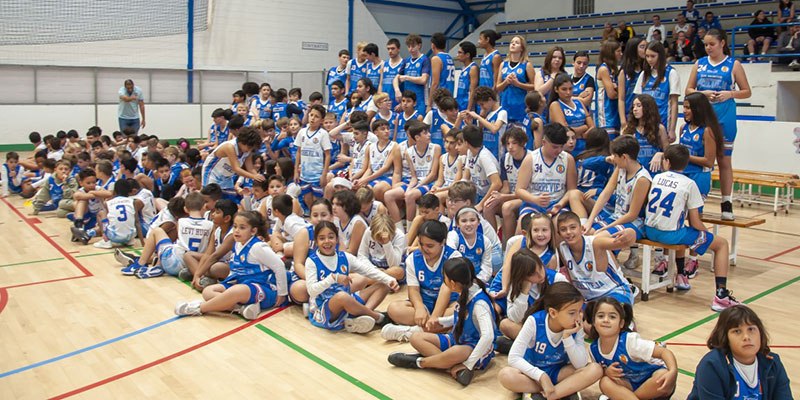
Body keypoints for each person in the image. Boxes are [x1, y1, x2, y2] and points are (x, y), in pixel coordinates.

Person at [644, 144, 739, 310]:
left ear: (667, 162)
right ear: (686, 163)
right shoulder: (689, 184)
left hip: (650, 230)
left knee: (682, 228)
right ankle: (721, 296)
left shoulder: (657, 178)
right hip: (670, 235)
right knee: (721, 244)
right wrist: (708, 236)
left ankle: (681, 275)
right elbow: (695, 222)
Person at [387, 257, 498, 387]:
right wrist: (441, 322)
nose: (443, 281)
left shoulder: (479, 303)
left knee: (456, 351)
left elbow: (488, 336)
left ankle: (420, 362)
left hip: (474, 349)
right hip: (456, 339)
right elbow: (460, 316)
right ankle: (448, 365)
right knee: (416, 337)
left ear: (453, 283)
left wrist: (468, 365)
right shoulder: (464, 290)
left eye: (444, 278)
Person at [686, 28, 751, 220]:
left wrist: (730, 94)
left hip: (725, 116)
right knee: (698, 159)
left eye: (711, 44)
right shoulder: (699, 64)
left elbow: (747, 91)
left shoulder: (733, 65)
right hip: (702, 118)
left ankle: (726, 203)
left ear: (722, 43)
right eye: (705, 44)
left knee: (724, 160)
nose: (708, 47)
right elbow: (688, 90)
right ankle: (694, 203)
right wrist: (703, 93)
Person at [174, 211, 288, 320]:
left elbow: (279, 266)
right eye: (235, 226)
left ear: (253, 231)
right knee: (208, 291)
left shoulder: (258, 247)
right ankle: (241, 309)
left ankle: (199, 308)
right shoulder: (237, 244)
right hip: (241, 285)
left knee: (237, 291)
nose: (237, 231)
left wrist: (282, 293)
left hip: (265, 288)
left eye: (242, 228)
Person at [498, 282, 602, 399]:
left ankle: (552, 393)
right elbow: (513, 357)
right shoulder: (534, 321)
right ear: (553, 313)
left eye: (579, 311)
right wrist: (541, 376)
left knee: (595, 369)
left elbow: (580, 364)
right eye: (572, 313)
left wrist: (567, 338)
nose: (578, 317)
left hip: (558, 372)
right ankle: (562, 389)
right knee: (506, 375)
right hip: (532, 374)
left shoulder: (576, 326)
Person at [306, 220, 399, 333]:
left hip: (348, 301)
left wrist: (389, 279)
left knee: (383, 285)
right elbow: (311, 291)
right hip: (325, 308)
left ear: (337, 239)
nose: (327, 241)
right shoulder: (312, 261)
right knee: (342, 296)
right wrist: (332, 278)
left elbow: (367, 270)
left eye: (331, 237)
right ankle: (379, 318)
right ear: (316, 241)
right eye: (322, 238)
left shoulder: (344, 257)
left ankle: (362, 317)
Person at [688, 305, 793, 400]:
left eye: (751, 329)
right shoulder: (712, 365)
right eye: (737, 331)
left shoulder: (772, 363)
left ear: (760, 333)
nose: (746, 337)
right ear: (725, 337)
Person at [382, 220, 461, 342]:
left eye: (430, 246)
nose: (424, 249)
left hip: (448, 303)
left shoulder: (454, 257)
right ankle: (437, 329)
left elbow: (445, 289)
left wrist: (435, 317)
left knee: (460, 312)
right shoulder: (412, 259)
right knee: (394, 308)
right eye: (421, 244)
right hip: (425, 303)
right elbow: (413, 290)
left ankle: (412, 332)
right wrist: (419, 308)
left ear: (442, 242)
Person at [588, 297, 678, 399]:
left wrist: (673, 371)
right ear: (593, 321)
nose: (606, 320)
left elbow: (664, 352)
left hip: (654, 384)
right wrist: (607, 372)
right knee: (604, 382)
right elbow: (602, 374)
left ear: (621, 323)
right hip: (629, 387)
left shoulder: (629, 341)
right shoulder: (594, 349)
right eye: (601, 316)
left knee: (662, 375)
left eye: (612, 317)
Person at [517, 123, 577, 219]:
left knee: (563, 223)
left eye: (561, 146)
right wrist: (535, 200)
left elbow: (572, 190)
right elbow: (519, 190)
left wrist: (561, 204)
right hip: (533, 203)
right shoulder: (531, 158)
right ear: (544, 142)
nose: (559, 150)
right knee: (525, 222)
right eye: (555, 147)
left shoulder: (568, 159)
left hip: (558, 203)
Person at [201, 126, 265, 201]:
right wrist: (253, 177)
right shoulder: (229, 147)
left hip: (227, 176)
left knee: (229, 201)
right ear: (242, 141)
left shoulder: (248, 151)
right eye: (249, 147)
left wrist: (258, 176)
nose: (249, 150)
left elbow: (250, 168)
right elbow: (237, 169)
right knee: (211, 199)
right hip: (212, 173)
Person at [634, 41, 681, 141]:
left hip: (663, 120)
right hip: (645, 124)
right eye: (647, 56)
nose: (649, 59)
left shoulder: (671, 73)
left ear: (660, 55)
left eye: (653, 56)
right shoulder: (644, 74)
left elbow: (674, 104)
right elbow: (637, 100)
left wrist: (672, 129)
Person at [549, 73, 594, 156]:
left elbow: (592, 126)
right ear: (556, 89)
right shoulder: (555, 105)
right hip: (566, 149)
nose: (568, 92)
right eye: (564, 89)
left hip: (585, 147)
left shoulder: (579, 102)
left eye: (570, 88)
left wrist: (581, 134)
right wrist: (585, 127)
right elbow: (566, 130)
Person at [495, 36, 536, 125]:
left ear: (522, 48)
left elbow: (534, 86)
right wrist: (506, 82)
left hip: (520, 108)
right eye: (511, 42)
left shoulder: (527, 65)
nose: (513, 44)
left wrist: (518, 84)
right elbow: (498, 88)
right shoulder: (503, 64)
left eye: (516, 43)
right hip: (505, 106)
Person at [357, 213, 406, 281]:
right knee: (353, 266)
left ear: (392, 231)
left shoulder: (399, 235)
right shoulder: (368, 232)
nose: (381, 238)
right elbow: (361, 255)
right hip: (373, 267)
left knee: (397, 271)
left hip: (391, 271)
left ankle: (369, 280)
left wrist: (387, 243)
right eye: (378, 235)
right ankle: (375, 280)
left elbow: (394, 264)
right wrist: (373, 269)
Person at [394, 34, 430, 115]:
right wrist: (397, 90)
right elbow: (396, 78)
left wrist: (407, 77)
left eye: (413, 46)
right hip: (407, 101)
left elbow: (423, 79)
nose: (411, 49)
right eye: (409, 46)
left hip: (420, 100)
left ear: (419, 45)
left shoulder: (425, 59)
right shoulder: (406, 61)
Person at [467, 86, 507, 158]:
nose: (481, 107)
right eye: (479, 105)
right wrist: (470, 123)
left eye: (482, 104)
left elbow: (494, 129)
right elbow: (480, 132)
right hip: (485, 153)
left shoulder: (502, 112)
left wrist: (478, 117)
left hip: (497, 155)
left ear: (490, 100)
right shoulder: (486, 114)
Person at [596, 40, 623, 138]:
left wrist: (617, 89)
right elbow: (611, 94)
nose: (621, 54)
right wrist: (620, 91)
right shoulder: (604, 69)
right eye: (618, 51)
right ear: (610, 53)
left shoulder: (614, 69)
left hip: (614, 113)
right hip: (606, 116)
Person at [618, 37, 647, 130]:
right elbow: (621, 98)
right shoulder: (624, 72)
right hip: (629, 114)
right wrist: (623, 121)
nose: (646, 50)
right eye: (642, 47)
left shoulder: (647, 71)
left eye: (646, 47)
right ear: (633, 49)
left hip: (646, 115)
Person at [429, 32, 455, 98]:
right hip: (449, 95)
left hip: (440, 97)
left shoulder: (436, 59)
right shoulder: (449, 57)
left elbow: (435, 83)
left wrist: (429, 102)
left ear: (433, 45)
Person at [456, 41, 479, 112]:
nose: (457, 55)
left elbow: (473, 90)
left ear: (467, 55)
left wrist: (469, 109)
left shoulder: (473, 68)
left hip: (467, 105)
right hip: (460, 103)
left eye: (460, 53)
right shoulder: (463, 68)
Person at [382, 39, 405, 109]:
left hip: (397, 101)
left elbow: (407, 85)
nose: (390, 51)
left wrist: (402, 103)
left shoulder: (404, 64)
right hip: (385, 101)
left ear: (399, 48)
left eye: (392, 48)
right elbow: (380, 84)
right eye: (388, 49)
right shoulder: (384, 64)